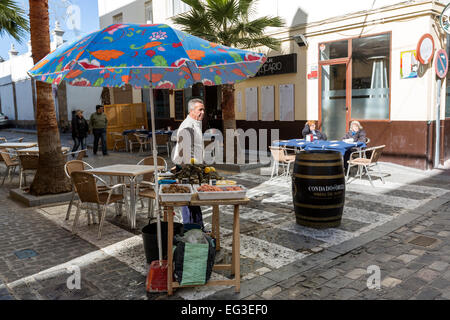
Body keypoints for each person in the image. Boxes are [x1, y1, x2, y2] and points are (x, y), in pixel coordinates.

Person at [172, 98, 206, 229]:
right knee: (187, 201)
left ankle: (199, 228)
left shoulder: (196, 124)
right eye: (200, 110)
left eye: (203, 110)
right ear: (191, 111)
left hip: (195, 168)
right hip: (187, 169)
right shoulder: (188, 126)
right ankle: (189, 230)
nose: (202, 112)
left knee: (195, 200)